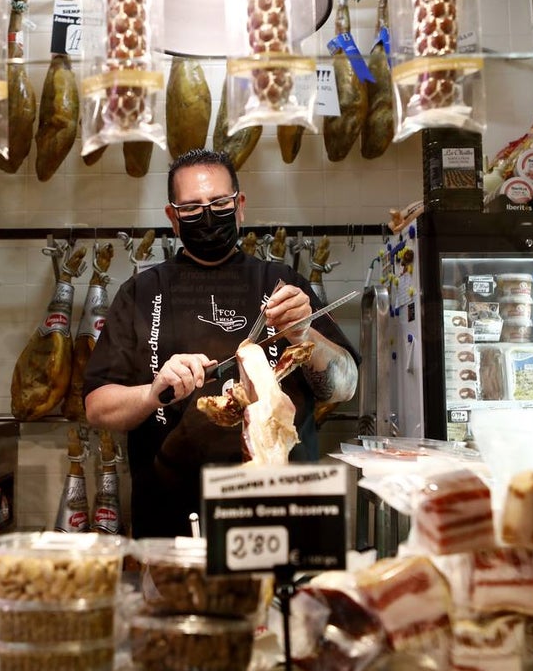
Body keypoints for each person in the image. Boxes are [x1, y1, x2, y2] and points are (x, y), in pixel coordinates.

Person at [83, 149, 360, 538]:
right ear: (172, 218)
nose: (208, 216)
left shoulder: (283, 284)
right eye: (192, 208)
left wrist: (304, 334)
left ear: (240, 206)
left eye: (219, 204)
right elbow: (97, 407)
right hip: (173, 519)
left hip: (281, 513)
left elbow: (345, 386)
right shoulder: (141, 293)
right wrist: (151, 393)